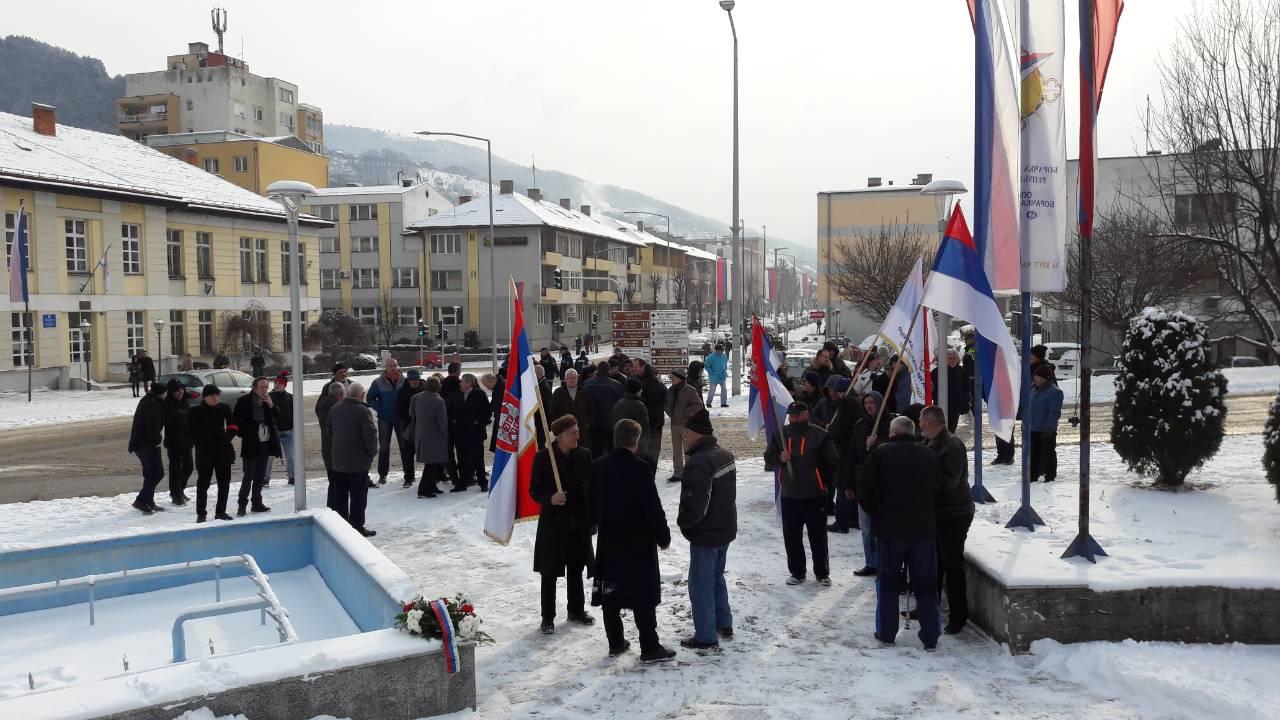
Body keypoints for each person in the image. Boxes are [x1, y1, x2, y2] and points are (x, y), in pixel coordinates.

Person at [592, 419, 676, 663]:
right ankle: (649, 647)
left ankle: (615, 641)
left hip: (609, 540)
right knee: (642, 595)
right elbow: (652, 507)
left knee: (611, 592)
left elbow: (592, 501)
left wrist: (593, 523)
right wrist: (663, 536)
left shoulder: (599, 466)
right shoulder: (641, 468)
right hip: (637, 542)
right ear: (636, 441)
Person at [857, 416, 942, 650]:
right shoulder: (930, 455)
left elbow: (864, 489)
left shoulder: (880, 453)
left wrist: (878, 512)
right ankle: (931, 635)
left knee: (888, 584)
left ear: (893, 433)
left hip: (890, 530)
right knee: (925, 584)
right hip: (923, 530)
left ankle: (886, 632)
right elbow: (941, 490)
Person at [677, 408, 737, 651]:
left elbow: (696, 503)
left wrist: (686, 523)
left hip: (706, 533)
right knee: (716, 578)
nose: (683, 438)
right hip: (724, 528)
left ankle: (705, 635)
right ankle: (724, 622)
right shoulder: (725, 455)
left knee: (700, 584)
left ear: (697, 434)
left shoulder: (698, 463)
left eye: (686, 434)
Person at [531, 415, 596, 635]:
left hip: (578, 522)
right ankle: (547, 617)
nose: (578, 435)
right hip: (554, 523)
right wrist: (550, 498)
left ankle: (576, 610)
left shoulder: (584, 455)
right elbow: (534, 489)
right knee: (550, 571)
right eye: (573, 432)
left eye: (578, 431)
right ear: (559, 436)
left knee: (576, 568)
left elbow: (590, 489)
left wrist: (593, 519)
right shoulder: (543, 458)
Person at [765, 402, 840, 586]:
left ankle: (822, 573)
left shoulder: (820, 435)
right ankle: (797, 572)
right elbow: (768, 458)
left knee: (818, 536)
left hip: (815, 495)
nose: (793, 418)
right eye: (791, 415)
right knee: (792, 536)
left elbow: (833, 461)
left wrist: (820, 479)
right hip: (790, 494)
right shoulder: (781, 435)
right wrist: (779, 458)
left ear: (807, 414)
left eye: (797, 415)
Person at [919, 404, 974, 635]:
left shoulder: (952, 445)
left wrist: (921, 487)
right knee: (934, 563)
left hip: (954, 514)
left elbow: (949, 482)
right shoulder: (929, 442)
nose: (919, 426)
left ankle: (958, 616)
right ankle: (929, 606)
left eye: (921, 422)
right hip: (936, 513)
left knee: (951, 565)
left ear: (931, 423)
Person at [328, 382, 378, 537]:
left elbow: (329, 431)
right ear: (362, 394)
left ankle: (341, 524)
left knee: (340, 494)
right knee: (358, 496)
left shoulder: (334, 409)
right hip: (358, 462)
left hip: (338, 460)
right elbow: (370, 435)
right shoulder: (362, 411)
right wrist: (371, 452)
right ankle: (356, 526)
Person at [188, 385, 237, 522]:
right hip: (205, 452)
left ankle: (221, 511)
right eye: (212, 396)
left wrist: (226, 438)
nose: (215, 398)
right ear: (205, 397)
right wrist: (209, 436)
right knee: (203, 484)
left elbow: (233, 426)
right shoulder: (195, 411)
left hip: (223, 451)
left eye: (217, 395)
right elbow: (191, 431)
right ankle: (201, 514)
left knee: (224, 483)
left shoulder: (224, 408)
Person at [233, 376, 280, 516]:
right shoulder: (244, 401)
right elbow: (236, 420)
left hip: (265, 442)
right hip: (251, 443)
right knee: (248, 476)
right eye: (262, 387)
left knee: (260, 475)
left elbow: (279, 416)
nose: (265, 390)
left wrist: (271, 405)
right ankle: (242, 504)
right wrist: (245, 433)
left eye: (266, 387)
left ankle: (257, 503)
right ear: (255, 388)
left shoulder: (269, 400)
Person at [367, 358, 410, 487]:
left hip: (401, 418)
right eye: (390, 366)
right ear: (385, 367)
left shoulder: (404, 381)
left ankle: (408, 475)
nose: (393, 368)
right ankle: (382, 475)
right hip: (385, 419)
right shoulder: (378, 382)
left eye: (395, 365)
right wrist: (380, 410)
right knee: (384, 447)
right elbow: (370, 398)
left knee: (405, 447)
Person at [127, 382, 168, 514]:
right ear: (161, 393)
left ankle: (148, 501)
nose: (166, 395)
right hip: (146, 445)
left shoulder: (149, 401)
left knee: (150, 473)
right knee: (157, 473)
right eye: (165, 392)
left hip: (142, 444)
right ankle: (141, 500)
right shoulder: (153, 404)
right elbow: (152, 426)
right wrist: (157, 440)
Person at [449, 373, 492, 491]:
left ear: (469, 383)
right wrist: (452, 420)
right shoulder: (456, 395)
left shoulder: (479, 394)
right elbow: (449, 409)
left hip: (475, 433)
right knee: (462, 459)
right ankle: (462, 483)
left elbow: (487, 412)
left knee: (478, 459)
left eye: (462, 381)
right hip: (460, 433)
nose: (460, 383)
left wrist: (479, 421)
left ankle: (483, 483)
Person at [408, 376, 449, 498]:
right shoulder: (439, 401)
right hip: (435, 435)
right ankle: (423, 489)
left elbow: (411, 414)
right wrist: (445, 435)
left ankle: (431, 486)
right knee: (432, 464)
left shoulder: (416, 397)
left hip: (421, 433)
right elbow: (442, 422)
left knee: (432, 463)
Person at [665, 367, 703, 484]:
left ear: (680, 378)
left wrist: (685, 414)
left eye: (673, 377)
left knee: (688, 450)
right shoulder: (671, 390)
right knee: (676, 451)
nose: (671, 379)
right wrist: (670, 413)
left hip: (686, 424)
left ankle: (690, 473)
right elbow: (666, 404)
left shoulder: (690, 390)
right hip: (674, 424)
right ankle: (678, 473)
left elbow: (698, 405)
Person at [1027, 363, 1064, 482]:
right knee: (1033, 453)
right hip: (1032, 428)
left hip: (1046, 429)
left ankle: (1050, 475)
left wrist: (1048, 429)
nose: (1036, 379)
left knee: (1048, 453)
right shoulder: (1032, 389)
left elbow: (1054, 413)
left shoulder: (1054, 392)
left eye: (1039, 377)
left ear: (1046, 379)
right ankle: (1033, 475)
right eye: (1035, 377)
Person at [584, 361, 624, 459]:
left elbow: (585, 404)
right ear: (609, 370)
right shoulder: (617, 385)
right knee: (611, 450)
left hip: (594, 423)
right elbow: (620, 405)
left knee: (595, 451)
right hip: (611, 423)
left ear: (597, 370)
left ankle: (596, 471)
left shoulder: (587, 384)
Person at [163, 378, 194, 506]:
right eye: (177, 390)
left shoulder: (186, 401)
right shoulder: (168, 404)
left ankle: (180, 489)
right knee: (175, 469)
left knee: (189, 467)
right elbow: (168, 424)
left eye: (181, 389)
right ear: (171, 392)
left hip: (187, 440)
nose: (180, 392)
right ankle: (175, 493)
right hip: (174, 442)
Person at [395, 369, 427, 488]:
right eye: (411, 379)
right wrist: (410, 416)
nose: (414, 381)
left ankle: (433, 475)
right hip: (409, 425)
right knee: (408, 452)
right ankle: (409, 477)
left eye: (416, 379)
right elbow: (398, 409)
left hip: (425, 425)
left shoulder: (425, 388)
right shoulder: (402, 391)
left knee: (428, 451)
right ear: (408, 379)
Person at [632, 357, 667, 465]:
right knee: (645, 453)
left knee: (650, 453)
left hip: (652, 423)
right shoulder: (638, 379)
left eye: (636, 367)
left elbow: (660, 403)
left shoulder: (652, 383)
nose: (634, 369)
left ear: (643, 367)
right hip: (644, 423)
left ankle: (649, 476)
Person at [318, 381, 346, 512]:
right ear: (341, 394)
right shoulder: (337, 408)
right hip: (336, 450)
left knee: (333, 482)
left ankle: (331, 509)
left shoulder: (322, 405)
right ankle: (336, 511)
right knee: (338, 484)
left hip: (327, 448)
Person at [265, 372, 296, 487]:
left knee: (291, 456)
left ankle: (292, 477)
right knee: (269, 457)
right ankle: (265, 478)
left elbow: (294, 413)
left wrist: (293, 426)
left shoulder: (290, 397)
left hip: (288, 432)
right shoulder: (269, 397)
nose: (277, 385)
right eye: (276, 383)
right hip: (273, 433)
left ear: (285, 385)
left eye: (280, 383)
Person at [610, 379, 652, 462]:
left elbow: (612, 422)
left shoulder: (619, 403)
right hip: (634, 445)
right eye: (640, 389)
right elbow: (644, 428)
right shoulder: (639, 406)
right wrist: (646, 446)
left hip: (619, 444)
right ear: (637, 390)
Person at [930, 349, 972, 432]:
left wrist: (966, 402)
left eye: (954, 358)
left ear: (957, 359)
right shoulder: (936, 372)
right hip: (940, 406)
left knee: (952, 429)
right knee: (940, 429)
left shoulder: (962, 371)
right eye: (950, 358)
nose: (952, 360)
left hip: (956, 407)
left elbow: (967, 388)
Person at [550, 368, 594, 443]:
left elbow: (591, 409)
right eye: (569, 378)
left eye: (574, 378)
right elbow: (552, 410)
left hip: (581, 429)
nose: (572, 380)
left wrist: (587, 423)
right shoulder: (558, 393)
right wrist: (557, 425)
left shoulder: (584, 392)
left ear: (577, 378)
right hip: (564, 429)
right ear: (565, 379)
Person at [704, 344, 729, 408]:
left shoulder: (724, 356)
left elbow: (725, 364)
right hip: (713, 376)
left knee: (724, 389)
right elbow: (706, 366)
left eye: (722, 351)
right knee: (712, 390)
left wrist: (725, 370)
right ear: (716, 351)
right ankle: (708, 403)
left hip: (722, 376)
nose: (721, 352)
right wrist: (712, 372)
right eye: (720, 351)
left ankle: (723, 403)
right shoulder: (710, 357)